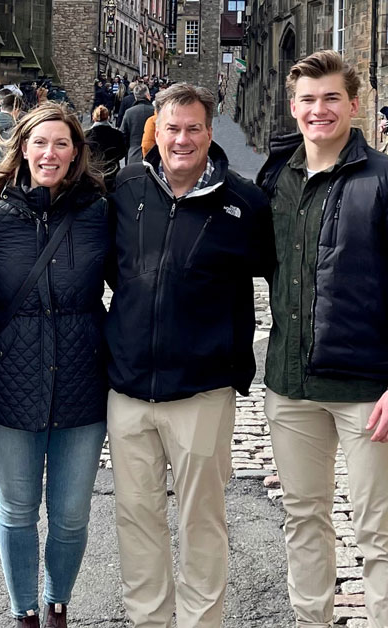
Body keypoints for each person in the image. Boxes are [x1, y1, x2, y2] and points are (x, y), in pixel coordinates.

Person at [255, 50, 388, 628]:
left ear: (353, 105)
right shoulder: (277, 180)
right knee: (303, 515)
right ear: (294, 108)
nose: (319, 110)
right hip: (291, 387)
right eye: (308, 100)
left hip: (367, 390)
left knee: (379, 526)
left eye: (331, 98)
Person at [105, 82, 273, 628]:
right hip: (129, 387)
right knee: (137, 516)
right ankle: (148, 619)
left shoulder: (243, 202)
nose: (182, 140)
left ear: (210, 129)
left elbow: (282, 276)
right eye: (172, 128)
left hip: (202, 389)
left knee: (201, 520)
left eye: (194, 128)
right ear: (157, 128)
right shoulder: (126, 187)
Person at [0, 102, 110, 628]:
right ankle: (23, 612)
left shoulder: (100, 213)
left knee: (72, 514)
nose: (50, 153)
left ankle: (57, 603)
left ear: (76, 152)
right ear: (22, 149)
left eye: (61, 143)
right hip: (11, 379)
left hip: (82, 378)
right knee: (17, 509)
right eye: (40, 142)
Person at [84, 104, 128, 191]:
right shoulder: (117, 134)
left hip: (93, 171)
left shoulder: (87, 135)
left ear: (94, 118)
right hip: (113, 169)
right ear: (108, 117)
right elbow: (123, 152)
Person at [119, 84, 154, 164]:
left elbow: (123, 134)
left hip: (133, 153)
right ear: (147, 95)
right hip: (153, 154)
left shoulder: (129, 112)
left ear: (135, 97)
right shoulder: (155, 112)